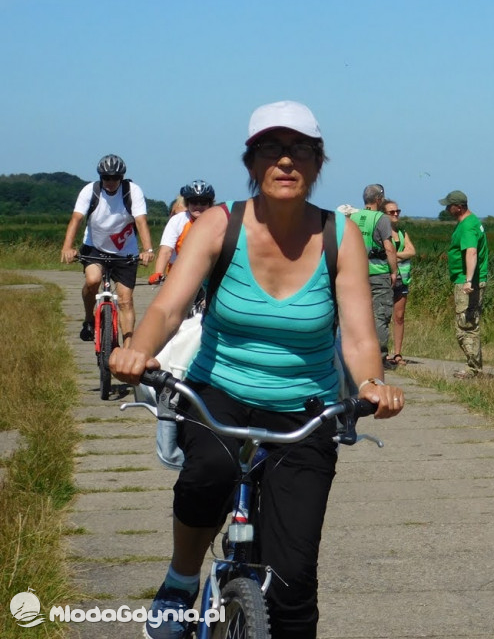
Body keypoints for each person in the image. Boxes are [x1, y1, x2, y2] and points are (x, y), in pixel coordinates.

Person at [109, 100, 404, 639]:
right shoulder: (220, 224)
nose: (285, 161)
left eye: (300, 151)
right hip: (219, 390)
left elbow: (360, 336)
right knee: (208, 475)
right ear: (251, 162)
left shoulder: (341, 236)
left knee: (293, 583)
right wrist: (137, 350)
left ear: (318, 164)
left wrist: (371, 384)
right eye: (271, 148)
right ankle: (180, 579)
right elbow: (169, 307)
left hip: (306, 409)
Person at [60, 154, 156, 347]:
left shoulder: (132, 191)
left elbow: (141, 221)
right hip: (95, 247)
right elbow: (77, 219)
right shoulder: (90, 190)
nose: (110, 182)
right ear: (100, 177)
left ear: (121, 178)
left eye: (115, 178)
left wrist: (147, 249)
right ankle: (89, 318)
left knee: (125, 300)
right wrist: (67, 247)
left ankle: (127, 348)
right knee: (93, 280)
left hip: (124, 252)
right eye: (106, 178)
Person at [439, 190, 489, 378]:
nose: (446, 209)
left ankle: (474, 369)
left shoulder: (468, 226)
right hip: (465, 279)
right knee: (468, 324)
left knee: (466, 326)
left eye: (449, 205)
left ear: (458, 207)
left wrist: (468, 280)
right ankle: (474, 367)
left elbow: (471, 252)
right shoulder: (471, 222)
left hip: (467, 282)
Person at [349, 184, 399, 369]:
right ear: (379, 199)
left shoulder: (352, 217)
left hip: (355, 273)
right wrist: (394, 271)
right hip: (378, 272)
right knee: (381, 315)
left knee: (357, 316)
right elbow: (388, 247)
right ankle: (379, 358)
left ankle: (356, 354)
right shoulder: (381, 218)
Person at [148, 180, 216, 286]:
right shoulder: (177, 221)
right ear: (187, 203)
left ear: (210, 204)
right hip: (180, 274)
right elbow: (166, 251)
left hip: (208, 275)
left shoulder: (217, 221)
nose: (198, 206)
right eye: (194, 202)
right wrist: (158, 273)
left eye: (203, 202)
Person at [383, 199, 415, 365]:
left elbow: (412, 251)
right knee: (383, 316)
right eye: (392, 212)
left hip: (403, 278)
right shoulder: (381, 232)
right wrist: (398, 253)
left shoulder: (402, 232)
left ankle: (397, 353)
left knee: (399, 316)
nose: (396, 214)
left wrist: (394, 255)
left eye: (398, 211)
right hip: (385, 278)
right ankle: (383, 352)